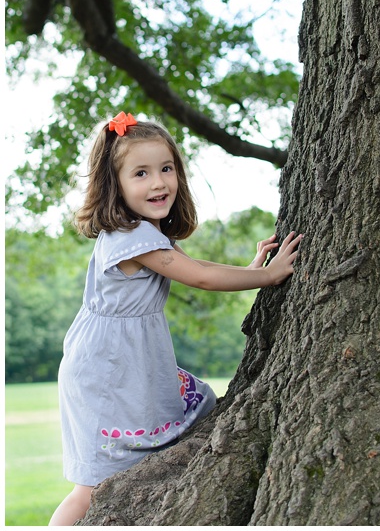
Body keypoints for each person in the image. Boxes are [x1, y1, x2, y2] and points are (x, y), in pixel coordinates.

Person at [49, 113, 303, 525]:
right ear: (116, 185)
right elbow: (200, 277)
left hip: (121, 360)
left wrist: (251, 267)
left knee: (180, 425)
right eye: (141, 173)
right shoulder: (133, 239)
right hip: (107, 370)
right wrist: (268, 276)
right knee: (91, 485)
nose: (158, 182)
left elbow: (195, 264)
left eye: (166, 169)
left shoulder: (148, 233)